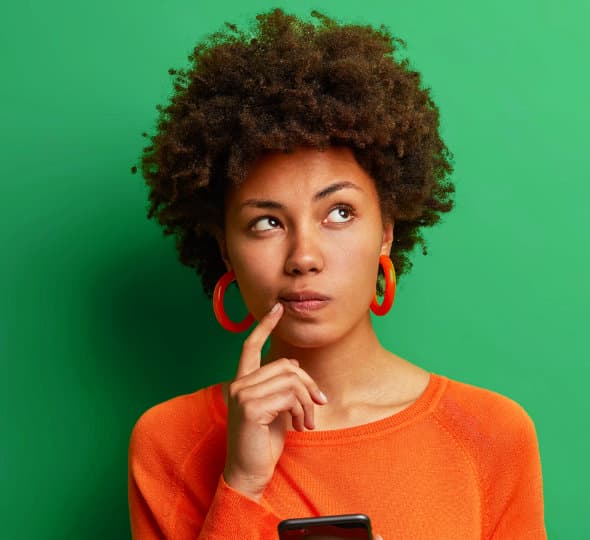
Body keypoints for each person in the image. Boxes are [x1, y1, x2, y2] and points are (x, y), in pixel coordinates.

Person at [128, 8, 546, 540]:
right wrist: (242, 483)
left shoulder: (490, 433)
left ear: (386, 231)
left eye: (340, 213)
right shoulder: (170, 442)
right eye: (267, 222)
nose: (305, 255)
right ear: (225, 250)